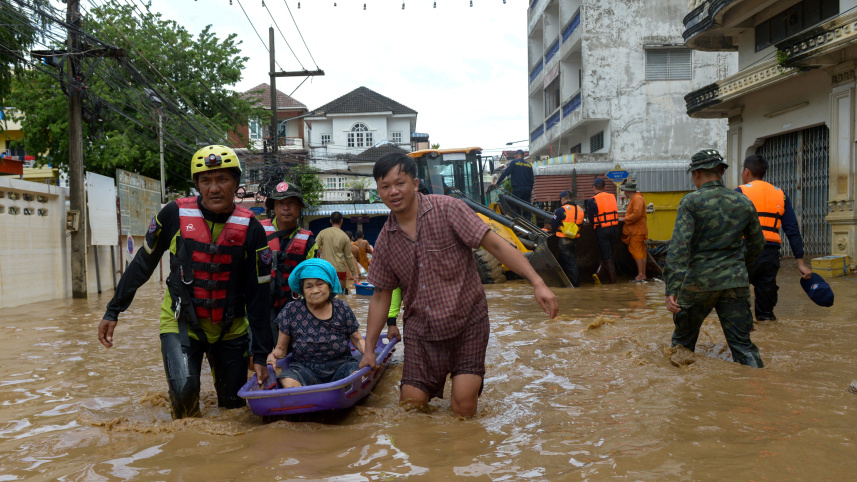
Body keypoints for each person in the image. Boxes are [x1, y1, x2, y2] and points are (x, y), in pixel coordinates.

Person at [360, 152, 558, 417]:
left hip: (468, 323)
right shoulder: (385, 241)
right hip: (422, 332)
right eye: (385, 186)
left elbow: (496, 244)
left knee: (463, 407)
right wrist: (369, 350)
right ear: (378, 192)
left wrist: (537, 282)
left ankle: (468, 401)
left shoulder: (448, 209)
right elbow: (381, 296)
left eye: (400, 183)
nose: (393, 191)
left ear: (415, 184)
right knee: (410, 408)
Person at [97, 145, 273, 418]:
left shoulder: (253, 230)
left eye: (222, 179)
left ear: (236, 183)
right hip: (180, 323)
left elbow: (259, 296)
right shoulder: (173, 215)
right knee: (184, 395)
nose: (214, 188)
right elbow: (143, 263)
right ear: (197, 185)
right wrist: (113, 310)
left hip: (232, 328)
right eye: (206, 180)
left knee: (234, 409)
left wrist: (261, 354)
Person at [664, 149, 766, 368]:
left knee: (682, 344)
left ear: (697, 173)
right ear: (721, 171)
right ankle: (759, 391)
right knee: (743, 346)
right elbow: (758, 244)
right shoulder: (743, 202)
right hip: (735, 283)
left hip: (698, 283)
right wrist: (737, 266)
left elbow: (679, 248)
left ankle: (681, 396)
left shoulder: (691, 202)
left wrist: (672, 288)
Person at [266, 259, 366, 388]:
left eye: (320, 284)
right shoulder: (291, 310)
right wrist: (272, 356)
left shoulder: (342, 307)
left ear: (329, 285)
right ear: (302, 291)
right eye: (309, 286)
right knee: (287, 381)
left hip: (342, 365)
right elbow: (281, 349)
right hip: (305, 369)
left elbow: (357, 340)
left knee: (359, 376)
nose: (315, 290)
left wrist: (369, 354)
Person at [736, 154, 813, 321]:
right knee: (766, 312)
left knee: (737, 302)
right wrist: (801, 263)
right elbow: (792, 229)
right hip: (770, 255)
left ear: (747, 171)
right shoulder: (780, 194)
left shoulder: (739, 192)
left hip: (744, 253)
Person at [260, 179, 317, 324]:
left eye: (291, 203)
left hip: (295, 311)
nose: (286, 208)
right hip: (261, 310)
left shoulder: (309, 243)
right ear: (273, 207)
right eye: (280, 203)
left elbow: (314, 282)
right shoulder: (257, 233)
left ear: (300, 207)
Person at [316, 211, 360, 293]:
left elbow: (314, 248)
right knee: (341, 295)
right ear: (341, 221)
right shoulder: (345, 236)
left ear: (330, 221)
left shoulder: (323, 233)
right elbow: (349, 256)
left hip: (326, 268)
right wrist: (354, 273)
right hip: (340, 269)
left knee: (326, 294)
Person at [586, 177, 620, 284]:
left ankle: (612, 282)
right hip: (614, 228)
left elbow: (591, 219)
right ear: (605, 187)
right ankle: (599, 274)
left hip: (602, 230)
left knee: (606, 255)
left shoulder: (592, 200)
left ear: (593, 187)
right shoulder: (612, 197)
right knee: (609, 253)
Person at [550, 190, 584, 287]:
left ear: (563, 199)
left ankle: (575, 285)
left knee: (570, 262)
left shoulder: (561, 210)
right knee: (562, 260)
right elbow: (582, 225)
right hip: (575, 239)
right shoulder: (580, 210)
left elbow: (554, 225)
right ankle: (563, 282)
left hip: (564, 240)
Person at [618, 181, 648, 282]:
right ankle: (643, 275)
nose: (624, 193)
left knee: (636, 252)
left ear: (627, 191)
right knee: (641, 252)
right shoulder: (637, 198)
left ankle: (640, 275)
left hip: (636, 231)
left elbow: (637, 214)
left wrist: (624, 219)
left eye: (624, 191)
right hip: (639, 230)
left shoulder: (637, 199)